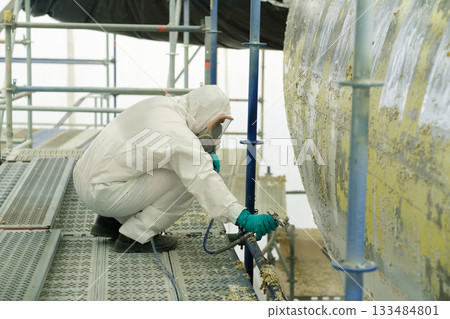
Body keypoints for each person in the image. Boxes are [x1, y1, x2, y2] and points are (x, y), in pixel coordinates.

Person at [73, 85, 278, 253]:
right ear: (204, 114)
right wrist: (243, 217)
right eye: (215, 124)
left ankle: (109, 222)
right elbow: (202, 178)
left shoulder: (161, 105)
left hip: (84, 178)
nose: (214, 131)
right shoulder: (178, 132)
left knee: (152, 162)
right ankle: (135, 236)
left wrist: (201, 155)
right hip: (103, 193)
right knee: (186, 179)